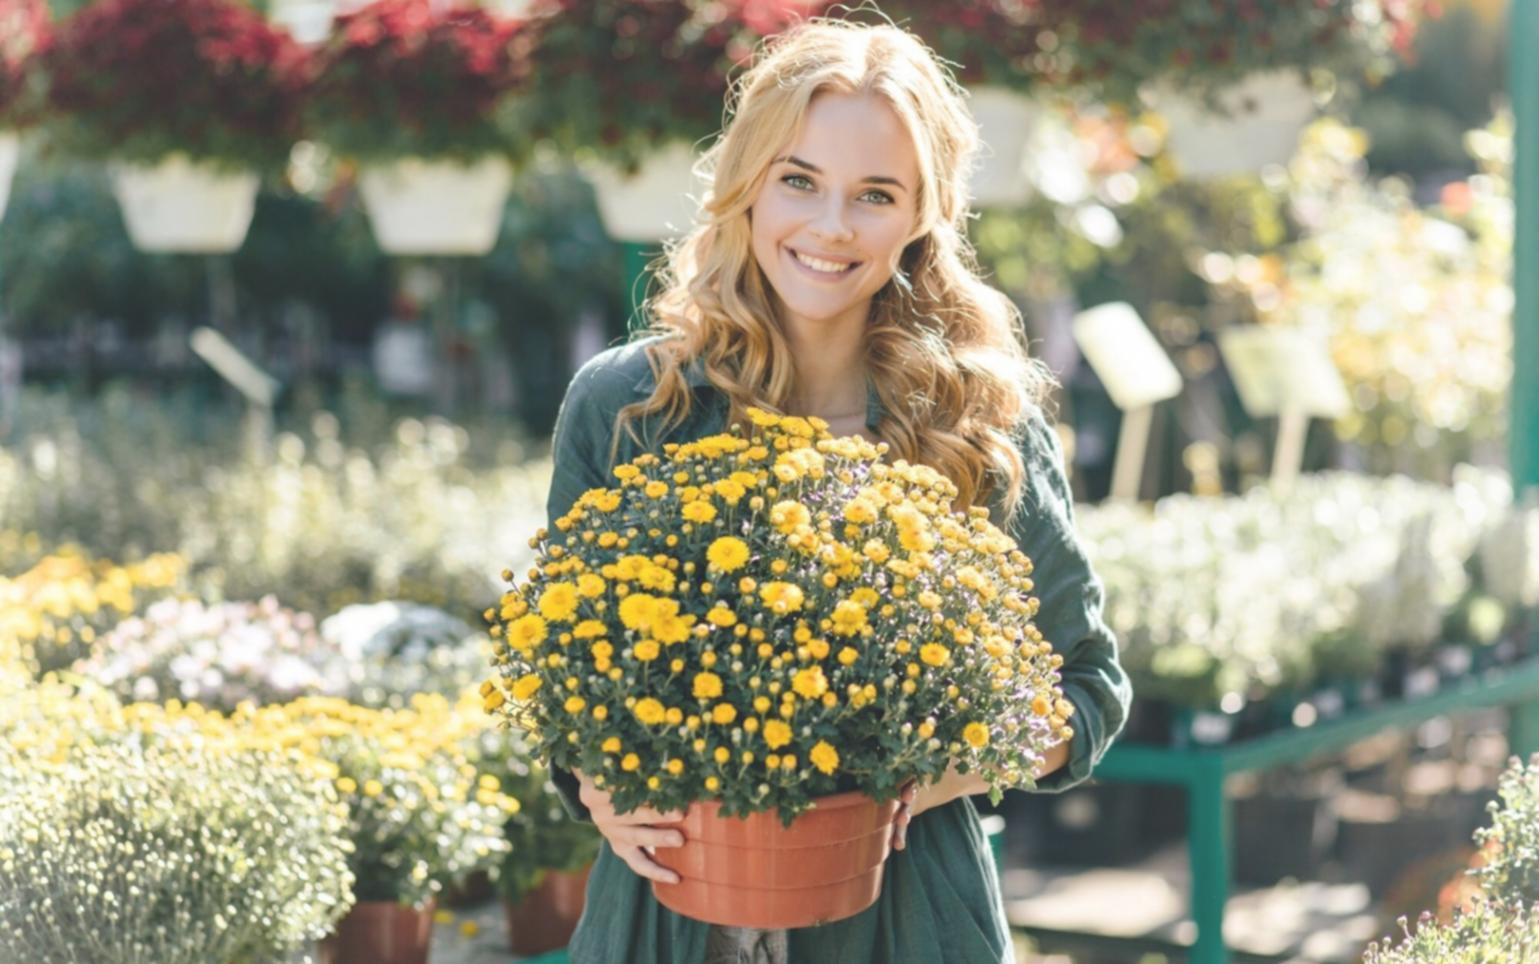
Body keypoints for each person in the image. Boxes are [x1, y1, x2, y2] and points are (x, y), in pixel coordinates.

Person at [543, 16, 1132, 963]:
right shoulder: (628, 407)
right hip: (666, 917)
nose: (829, 226)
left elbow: (1085, 690)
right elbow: (564, 679)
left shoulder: (978, 423)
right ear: (747, 182)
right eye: (798, 180)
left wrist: (938, 774)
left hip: (906, 921)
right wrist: (597, 785)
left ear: (923, 214)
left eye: (874, 195)